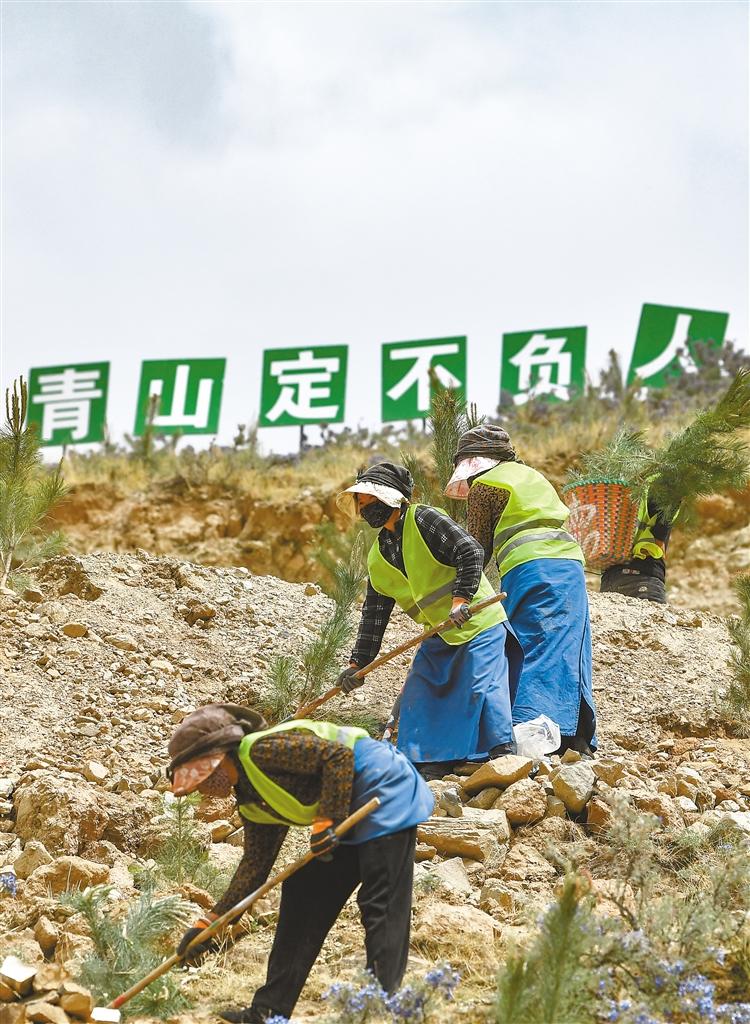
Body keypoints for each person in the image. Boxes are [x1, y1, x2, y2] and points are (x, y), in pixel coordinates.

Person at [168, 703, 434, 1024]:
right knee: (304, 892)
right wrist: (211, 923)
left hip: (382, 786)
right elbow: (254, 868)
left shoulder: (260, 751)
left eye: (201, 777)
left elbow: (337, 756)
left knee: (380, 902)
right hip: (347, 807)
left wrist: (326, 820)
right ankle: (269, 1012)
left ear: (221, 756)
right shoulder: (251, 800)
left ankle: (381, 1010)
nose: (200, 789)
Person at [335, 461, 522, 781]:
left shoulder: (423, 519)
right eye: (361, 503)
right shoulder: (378, 558)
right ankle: (431, 762)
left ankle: (501, 756)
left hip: (477, 620)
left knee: (481, 686)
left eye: (371, 500)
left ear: (392, 498)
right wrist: (357, 665)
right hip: (439, 631)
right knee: (421, 692)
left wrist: (461, 600)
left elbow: (470, 551)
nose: (365, 509)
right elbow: (374, 617)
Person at [445, 425, 596, 755]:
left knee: (529, 645)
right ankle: (576, 739)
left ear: (473, 464)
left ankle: (530, 733)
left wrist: (458, 595)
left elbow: (476, 550)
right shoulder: (532, 477)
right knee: (570, 647)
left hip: (530, 568)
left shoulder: (485, 486)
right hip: (569, 567)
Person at [600, 494, 674, 603]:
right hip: (643, 577)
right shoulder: (660, 488)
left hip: (610, 578)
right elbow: (672, 500)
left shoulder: (612, 491)